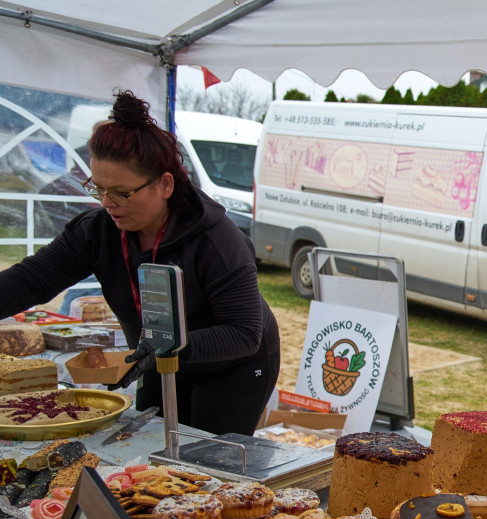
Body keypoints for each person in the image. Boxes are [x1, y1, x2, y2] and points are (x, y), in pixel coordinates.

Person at [0, 91, 280, 436]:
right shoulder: (97, 232)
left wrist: (170, 345)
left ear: (165, 184)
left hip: (234, 365)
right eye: (97, 188)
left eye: (121, 192)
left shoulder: (217, 240)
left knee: (206, 459)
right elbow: (30, 280)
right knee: (150, 449)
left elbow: (244, 332)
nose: (107, 203)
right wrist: (161, 349)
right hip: (159, 357)